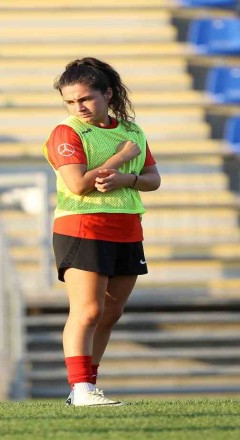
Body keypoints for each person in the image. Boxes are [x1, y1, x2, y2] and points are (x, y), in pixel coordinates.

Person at [43, 57, 161, 406]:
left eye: (85, 98)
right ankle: (81, 387)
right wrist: (119, 159)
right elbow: (78, 185)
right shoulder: (67, 132)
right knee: (88, 311)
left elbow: (153, 179)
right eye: (70, 101)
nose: (78, 107)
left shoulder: (132, 132)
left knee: (110, 313)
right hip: (83, 226)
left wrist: (127, 179)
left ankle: (85, 388)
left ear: (106, 94)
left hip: (127, 227)